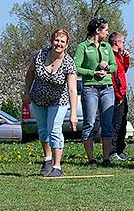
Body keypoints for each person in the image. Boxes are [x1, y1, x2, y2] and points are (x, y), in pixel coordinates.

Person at [23, 29, 78, 177]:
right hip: (38, 98)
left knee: (54, 129)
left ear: (66, 45)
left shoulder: (68, 63)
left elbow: (72, 90)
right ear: (51, 41)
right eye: (56, 40)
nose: (58, 44)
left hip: (58, 101)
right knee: (42, 130)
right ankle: (47, 159)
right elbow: (30, 74)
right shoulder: (40, 55)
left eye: (62, 41)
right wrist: (26, 92)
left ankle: (57, 166)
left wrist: (73, 114)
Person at [73, 17, 118, 166]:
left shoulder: (107, 47)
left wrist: (107, 68)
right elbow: (76, 68)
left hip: (107, 88)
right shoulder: (83, 47)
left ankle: (106, 158)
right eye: (105, 29)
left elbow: (114, 66)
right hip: (90, 88)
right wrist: (93, 72)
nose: (107, 32)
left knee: (107, 123)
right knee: (89, 122)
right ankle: (91, 159)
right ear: (97, 31)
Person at [108, 32, 130, 161]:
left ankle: (120, 149)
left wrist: (126, 58)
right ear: (116, 43)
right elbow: (113, 77)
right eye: (122, 41)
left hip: (122, 92)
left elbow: (123, 70)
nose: (124, 44)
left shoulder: (119, 56)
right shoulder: (111, 56)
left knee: (122, 122)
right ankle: (112, 151)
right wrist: (118, 96)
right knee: (115, 123)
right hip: (116, 94)